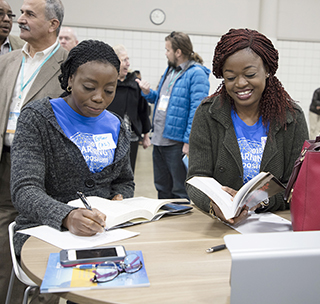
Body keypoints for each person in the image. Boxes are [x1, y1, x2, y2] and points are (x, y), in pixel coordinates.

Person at [10, 40, 134, 303]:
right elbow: (24, 189)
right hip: (43, 230)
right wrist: (66, 216)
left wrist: (119, 200)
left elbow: (124, 181)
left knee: (119, 284)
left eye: (109, 90)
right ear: (68, 80)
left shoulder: (118, 126)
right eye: (88, 87)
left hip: (100, 233)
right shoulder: (38, 118)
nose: (99, 97)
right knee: (71, 283)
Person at [186, 28, 309, 225]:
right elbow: (196, 178)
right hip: (221, 226)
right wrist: (214, 206)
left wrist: (261, 201)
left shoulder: (291, 117)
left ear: (267, 70)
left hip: (274, 225)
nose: (240, 84)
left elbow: (297, 185)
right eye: (230, 77)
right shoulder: (208, 114)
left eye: (250, 74)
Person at [0, 0, 68, 303]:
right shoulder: (8, 60)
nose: (20, 19)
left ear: (53, 24)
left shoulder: (69, 66)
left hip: (46, 170)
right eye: (21, 13)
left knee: (44, 241)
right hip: (5, 161)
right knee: (3, 242)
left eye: (30, 14)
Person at [137, 31, 210, 199]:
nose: (165, 53)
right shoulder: (170, 71)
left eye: (167, 50)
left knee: (179, 190)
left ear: (178, 52)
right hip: (160, 140)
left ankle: (180, 225)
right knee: (162, 187)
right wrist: (148, 93)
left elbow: (197, 110)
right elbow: (163, 100)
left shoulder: (196, 74)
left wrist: (188, 141)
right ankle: (164, 223)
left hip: (176, 143)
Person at [108, 44, 151, 173]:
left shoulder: (135, 83)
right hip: (109, 137)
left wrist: (146, 136)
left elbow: (143, 110)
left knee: (128, 171)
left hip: (131, 137)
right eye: (124, 60)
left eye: (128, 60)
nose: (128, 63)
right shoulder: (108, 83)